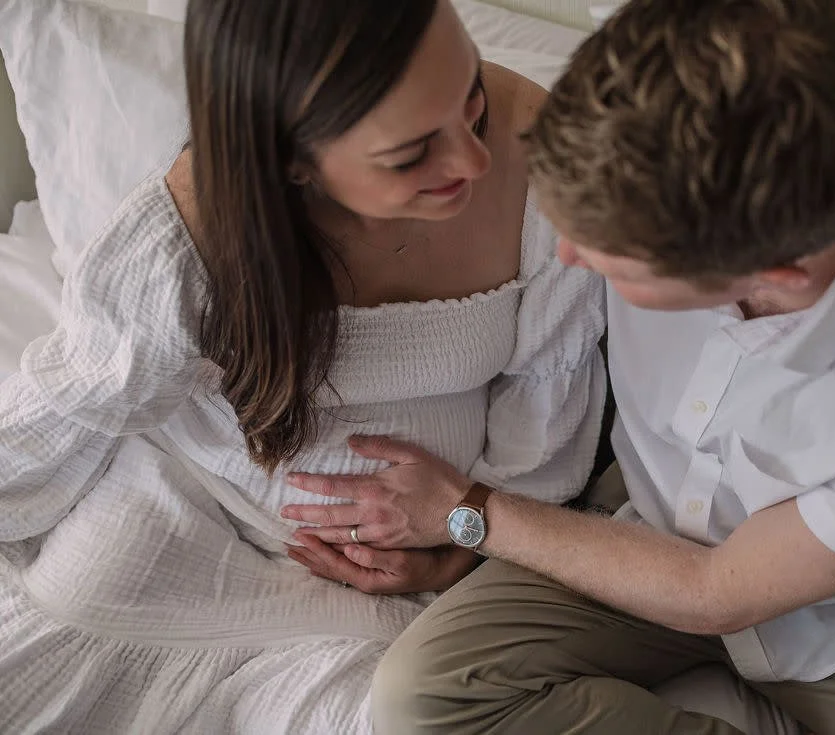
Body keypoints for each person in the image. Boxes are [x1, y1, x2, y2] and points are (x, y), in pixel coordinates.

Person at [284, 0, 835, 732]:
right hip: (628, 516)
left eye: (613, 259)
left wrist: (465, 511)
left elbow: (718, 591)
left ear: (776, 272)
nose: (566, 256)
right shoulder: (660, 102)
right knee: (423, 696)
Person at [0, 1, 605, 732]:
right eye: (412, 153)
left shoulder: (543, 159)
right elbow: (70, 402)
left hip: (381, 583)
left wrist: (460, 544)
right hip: (183, 506)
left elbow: (545, 424)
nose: (472, 162)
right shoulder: (190, 234)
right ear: (293, 164)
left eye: (471, 102)